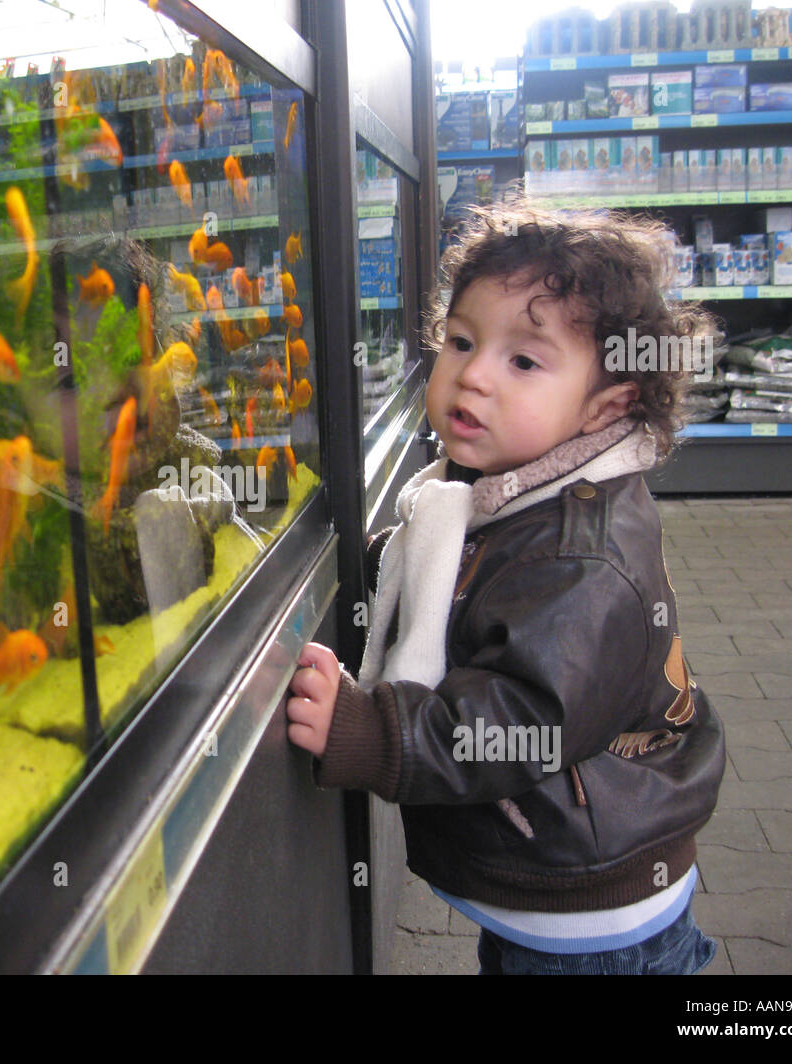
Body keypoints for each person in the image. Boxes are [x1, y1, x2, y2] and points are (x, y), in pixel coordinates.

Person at [287, 203, 726, 975]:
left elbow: (525, 719)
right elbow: (475, 567)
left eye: (525, 361)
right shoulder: (518, 485)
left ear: (607, 404)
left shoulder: (584, 561)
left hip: (590, 916)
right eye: (461, 341)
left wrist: (372, 734)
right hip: (555, 883)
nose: (475, 374)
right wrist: (389, 561)